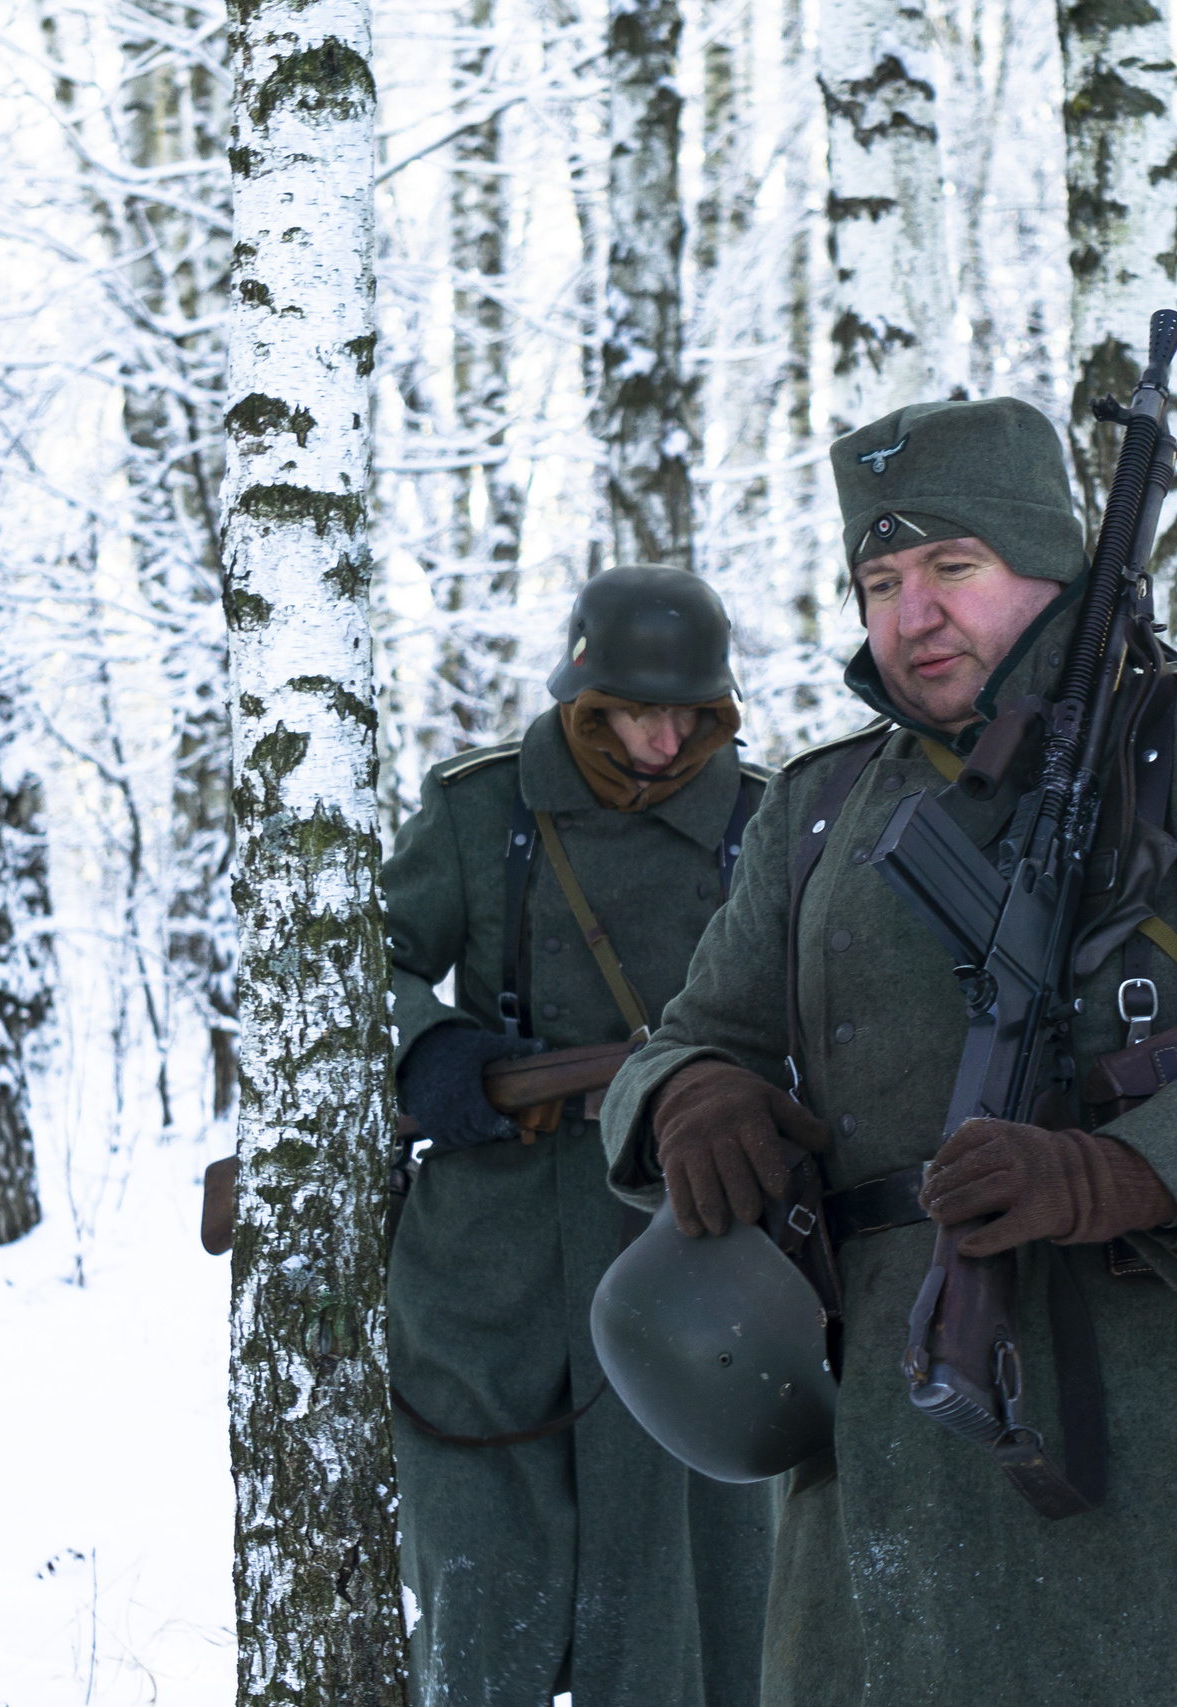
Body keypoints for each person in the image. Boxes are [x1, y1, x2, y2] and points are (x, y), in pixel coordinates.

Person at [598, 399, 1177, 1705]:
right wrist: (684, 1096)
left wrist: (1131, 1172)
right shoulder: (815, 811)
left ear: (1045, 564)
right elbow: (697, 1033)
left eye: (952, 567)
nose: (911, 614)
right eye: (881, 580)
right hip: (892, 1437)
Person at [382, 564, 774, 1707]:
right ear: (581, 703)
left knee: (688, 1591)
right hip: (489, 1253)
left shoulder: (763, 822)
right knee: (478, 1578)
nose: (663, 736)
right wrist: (433, 1050)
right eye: (636, 712)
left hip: (690, 1237)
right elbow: (361, 958)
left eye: (688, 715)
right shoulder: (480, 810)